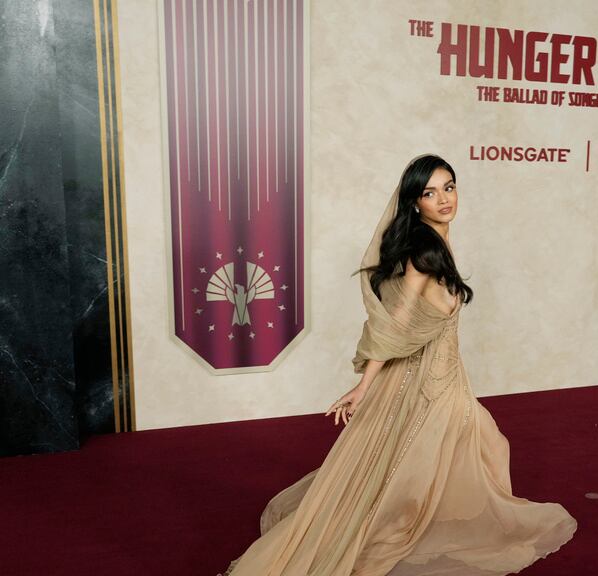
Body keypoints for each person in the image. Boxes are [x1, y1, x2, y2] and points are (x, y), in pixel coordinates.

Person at [222, 155, 576, 575]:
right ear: (414, 202)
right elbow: (396, 322)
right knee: (449, 452)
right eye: (430, 193)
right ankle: (397, 523)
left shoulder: (437, 240)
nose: (444, 199)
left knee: (470, 448)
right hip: (425, 380)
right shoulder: (423, 252)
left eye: (449, 186)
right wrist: (364, 385)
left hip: (444, 374)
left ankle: (415, 515)